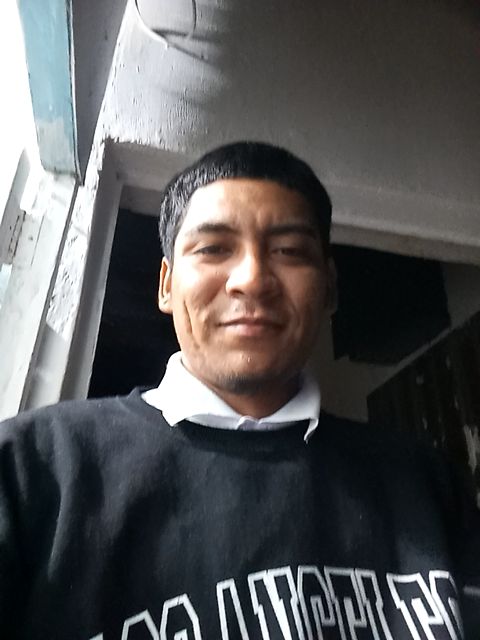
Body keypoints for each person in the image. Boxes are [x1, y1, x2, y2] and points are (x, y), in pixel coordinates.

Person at [0, 142, 478, 640]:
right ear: (166, 285)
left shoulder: (426, 485)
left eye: (289, 251)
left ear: (330, 287)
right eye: (212, 249)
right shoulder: (29, 472)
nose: (252, 280)